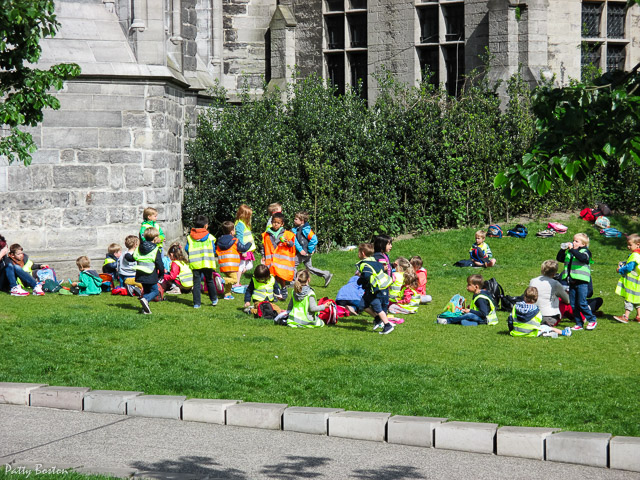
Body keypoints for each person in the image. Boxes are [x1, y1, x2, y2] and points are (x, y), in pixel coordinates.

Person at [556, 233, 597, 331]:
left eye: (576, 241)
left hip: (581, 281)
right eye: (573, 240)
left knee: (582, 302)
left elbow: (583, 258)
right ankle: (579, 323)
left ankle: (592, 319)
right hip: (572, 281)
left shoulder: (585, 252)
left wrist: (572, 250)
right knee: (573, 304)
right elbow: (559, 258)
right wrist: (563, 249)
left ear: (583, 244)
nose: (573, 242)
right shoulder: (570, 252)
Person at [357, 243, 394, 335]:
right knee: (362, 305)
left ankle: (387, 325)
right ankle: (378, 319)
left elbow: (367, 275)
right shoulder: (375, 261)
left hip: (374, 290)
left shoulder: (365, 265)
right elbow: (381, 268)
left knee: (378, 308)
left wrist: (360, 279)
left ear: (363, 253)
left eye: (358, 252)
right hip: (376, 289)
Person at [125, 227, 164, 313]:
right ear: (154, 238)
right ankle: (145, 299)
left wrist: (127, 255)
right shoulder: (155, 249)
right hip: (150, 273)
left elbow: (132, 258)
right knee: (155, 291)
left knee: (146, 290)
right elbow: (159, 263)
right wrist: (161, 274)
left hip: (140, 273)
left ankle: (145, 309)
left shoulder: (139, 248)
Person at [292, 211, 333, 288]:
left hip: (303, 253)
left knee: (292, 265)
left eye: (296, 219)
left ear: (302, 221)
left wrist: (309, 250)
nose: (294, 220)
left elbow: (314, 239)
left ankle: (294, 282)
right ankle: (326, 274)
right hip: (304, 252)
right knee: (309, 268)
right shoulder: (298, 229)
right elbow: (295, 240)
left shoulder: (306, 230)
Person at [186, 215, 218, 309]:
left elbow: (187, 249)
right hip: (207, 263)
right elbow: (213, 249)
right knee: (209, 280)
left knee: (196, 283)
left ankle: (197, 304)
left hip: (195, 263)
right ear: (206, 226)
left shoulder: (190, 237)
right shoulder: (210, 237)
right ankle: (214, 299)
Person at [262, 212, 296, 301]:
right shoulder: (267, 234)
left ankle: (283, 289)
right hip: (271, 260)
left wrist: (288, 242)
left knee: (281, 276)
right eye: (274, 222)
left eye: (278, 223)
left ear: (282, 224)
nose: (275, 224)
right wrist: (263, 256)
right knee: (272, 277)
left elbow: (292, 244)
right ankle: (275, 293)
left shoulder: (286, 234)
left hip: (281, 260)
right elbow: (264, 246)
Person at [216, 220, 252, 299]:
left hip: (223, 264)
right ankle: (222, 280)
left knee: (230, 280)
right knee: (234, 280)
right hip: (232, 265)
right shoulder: (235, 240)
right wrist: (249, 243)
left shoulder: (219, 241)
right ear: (232, 231)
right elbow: (243, 248)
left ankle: (227, 294)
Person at [529, 260, 570, 327]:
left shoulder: (533, 281)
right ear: (554, 273)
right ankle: (581, 318)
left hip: (533, 315)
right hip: (549, 317)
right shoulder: (555, 284)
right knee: (565, 305)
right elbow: (567, 300)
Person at [613, 233, 640, 323]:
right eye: (627, 245)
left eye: (630, 245)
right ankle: (639, 316)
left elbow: (629, 267)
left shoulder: (634, 255)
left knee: (628, 299)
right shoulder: (638, 255)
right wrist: (625, 263)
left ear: (638, 245)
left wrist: (620, 270)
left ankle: (625, 316)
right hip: (637, 282)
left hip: (632, 283)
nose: (628, 247)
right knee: (637, 300)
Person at [234, 204, 257, 286]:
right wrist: (243, 250)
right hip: (244, 249)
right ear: (242, 215)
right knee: (241, 266)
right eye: (248, 215)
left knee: (249, 266)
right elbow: (239, 238)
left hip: (248, 249)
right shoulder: (240, 224)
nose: (249, 217)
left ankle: (235, 279)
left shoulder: (244, 223)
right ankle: (236, 282)